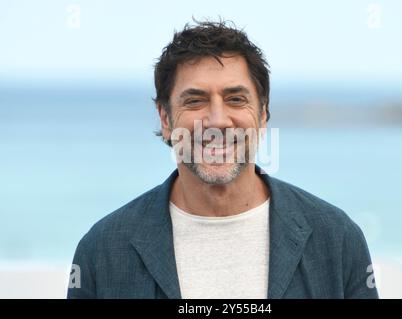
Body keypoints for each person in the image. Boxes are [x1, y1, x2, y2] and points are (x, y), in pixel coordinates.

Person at [67, 20, 378, 299]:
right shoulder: (102, 250)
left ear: (263, 114)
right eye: (195, 100)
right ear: (165, 118)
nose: (217, 121)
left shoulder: (336, 240)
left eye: (235, 99)